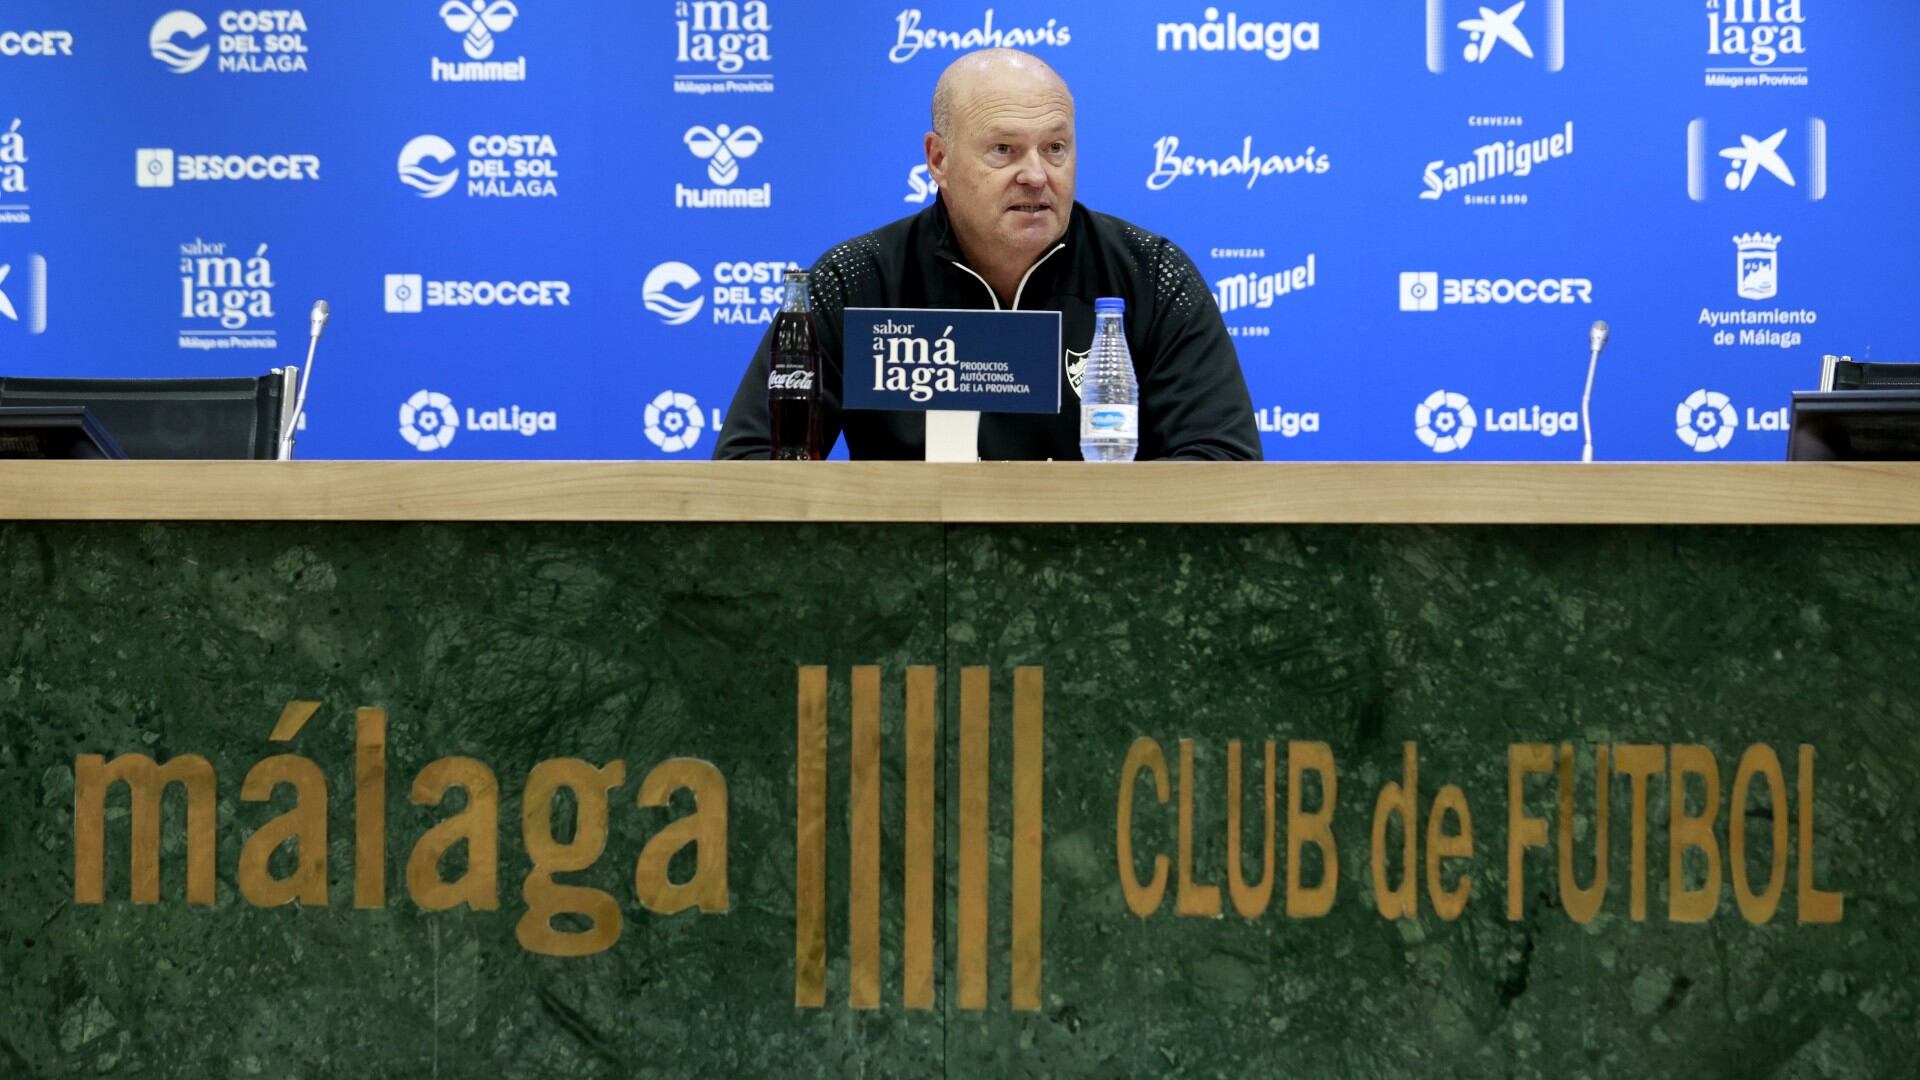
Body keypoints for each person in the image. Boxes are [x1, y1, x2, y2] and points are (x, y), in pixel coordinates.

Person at [711, 48, 1260, 461]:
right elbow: (752, 463)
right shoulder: (856, 281)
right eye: (1003, 149)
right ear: (939, 158)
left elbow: (1222, 462)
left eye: (1055, 148)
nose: (1036, 175)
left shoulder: (1150, 273)